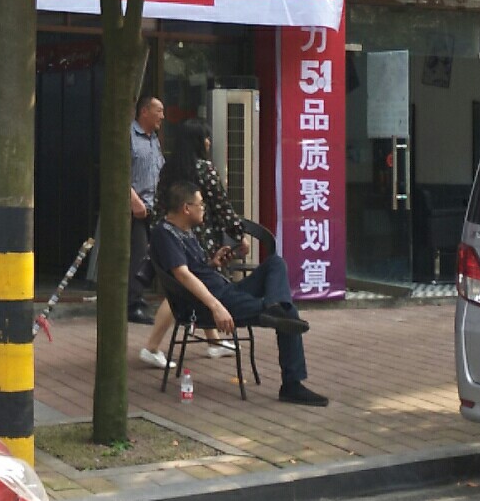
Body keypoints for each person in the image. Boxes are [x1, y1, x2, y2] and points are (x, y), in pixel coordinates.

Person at [138, 180, 330, 406]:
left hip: (225, 291)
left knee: (275, 264)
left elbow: (196, 271)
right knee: (289, 316)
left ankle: (275, 306)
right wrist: (216, 307)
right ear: (186, 208)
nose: (204, 208)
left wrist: (213, 263)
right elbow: (183, 275)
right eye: (200, 204)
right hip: (211, 303)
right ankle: (292, 385)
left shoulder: (185, 231)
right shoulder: (165, 234)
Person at [143, 118, 243, 363]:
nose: (208, 142)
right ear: (198, 142)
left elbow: (159, 204)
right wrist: (238, 234)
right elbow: (222, 206)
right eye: (205, 137)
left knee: (186, 286)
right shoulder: (205, 169)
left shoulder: (168, 168)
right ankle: (152, 346)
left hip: (170, 233)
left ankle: (214, 342)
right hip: (199, 238)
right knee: (182, 289)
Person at [125, 95, 166, 325]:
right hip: (134, 209)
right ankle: (132, 305)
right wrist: (133, 199)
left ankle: (139, 300)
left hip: (153, 208)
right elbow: (119, 172)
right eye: (158, 111)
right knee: (138, 257)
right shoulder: (129, 136)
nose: (162, 116)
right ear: (144, 112)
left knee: (152, 256)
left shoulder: (154, 140)